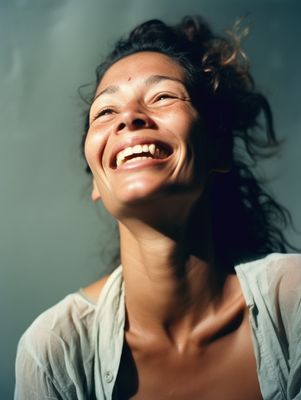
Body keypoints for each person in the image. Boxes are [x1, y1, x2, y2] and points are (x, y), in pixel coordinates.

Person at [14, 16, 301, 400]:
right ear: (97, 183)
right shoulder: (54, 351)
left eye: (163, 96)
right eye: (105, 112)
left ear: (217, 148)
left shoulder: (294, 301)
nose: (129, 118)